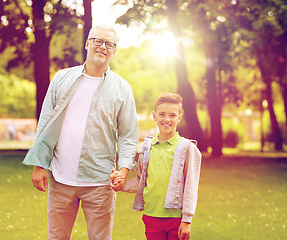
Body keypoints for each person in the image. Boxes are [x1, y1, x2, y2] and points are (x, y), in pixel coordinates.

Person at [22, 24, 138, 240]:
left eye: (109, 44)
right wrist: (39, 164)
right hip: (60, 178)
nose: (103, 47)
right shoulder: (61, 79)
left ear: (114, 50)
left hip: (100, 182)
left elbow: (128, 136)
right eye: (98, 41)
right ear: (87, 43)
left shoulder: (123, 89)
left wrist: (123, 170)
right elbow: (46, 122)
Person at [112, 93, 201, 240]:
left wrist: (187, 219)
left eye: (172, 115)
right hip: (151, 216)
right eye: (162, 114)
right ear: (154, 116)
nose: (167, 119)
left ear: (179, 117)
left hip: (176, 219)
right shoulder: (146, 148)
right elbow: (141, 181)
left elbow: (191, 186)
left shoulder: (187, 148)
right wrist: (121, 184)